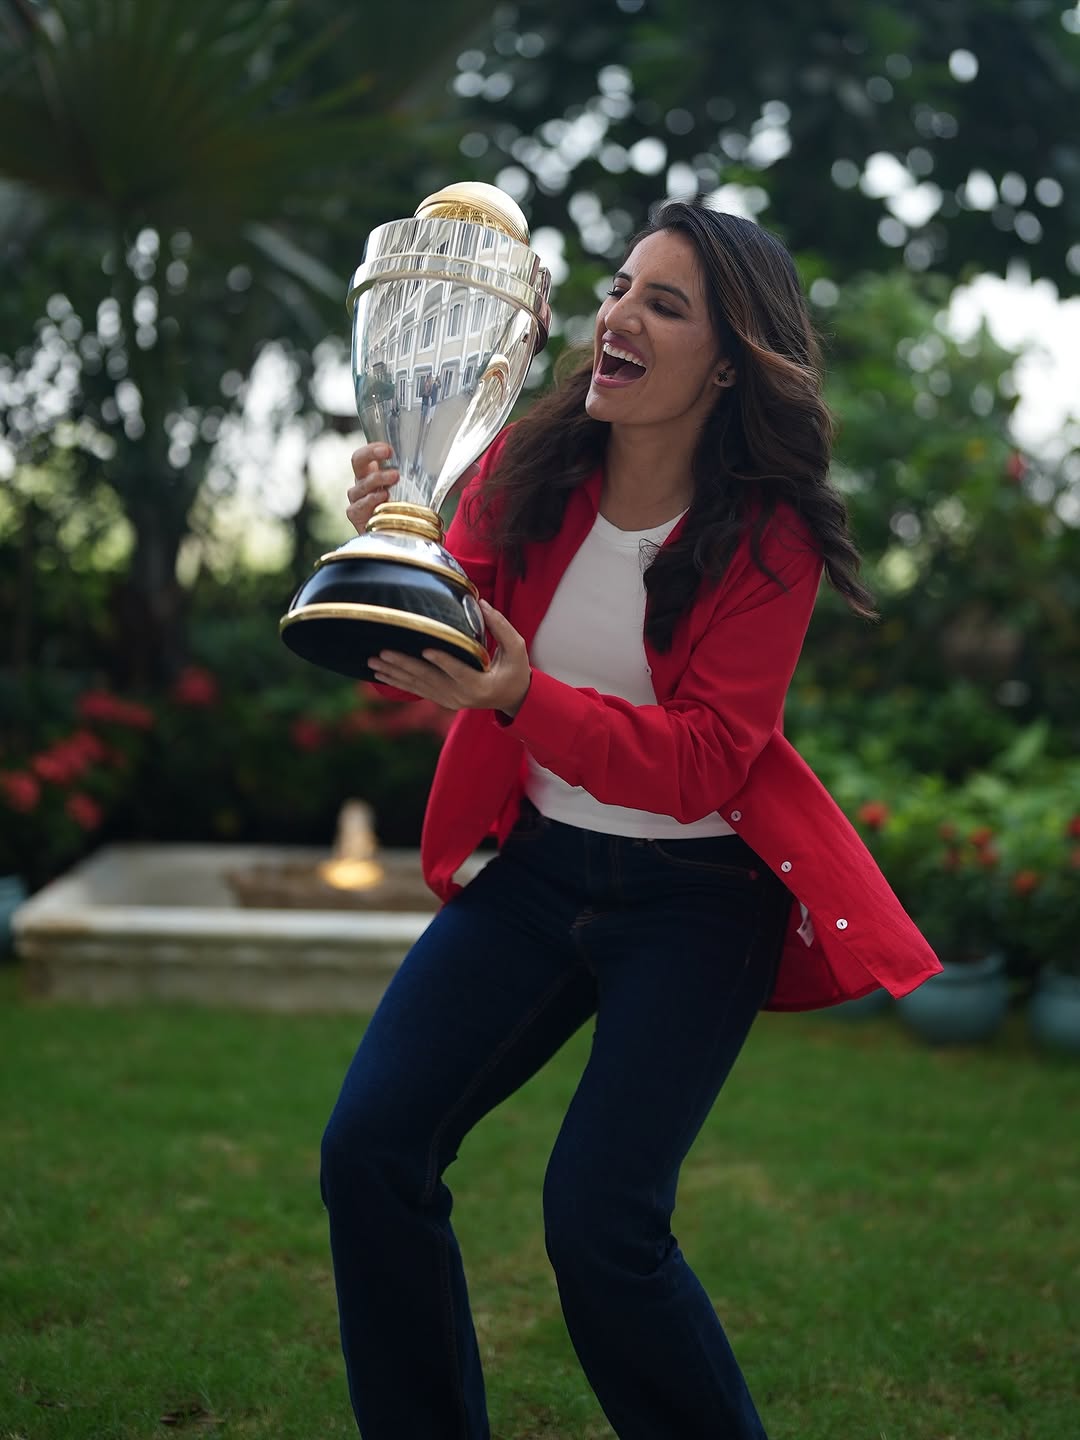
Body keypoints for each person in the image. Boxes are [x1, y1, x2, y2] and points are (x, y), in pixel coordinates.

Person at [321, 199, 941, 1440]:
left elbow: (708, 760)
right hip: (545, 876)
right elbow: (449, 653)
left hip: (700, 902)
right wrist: (404, 545)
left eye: (665, 303)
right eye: (617, 289)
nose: (618, 317)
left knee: (601, 1222)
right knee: (371, 1151)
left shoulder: (772, 537)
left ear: (728, 359)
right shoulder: (520, 472)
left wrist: (522, 697)